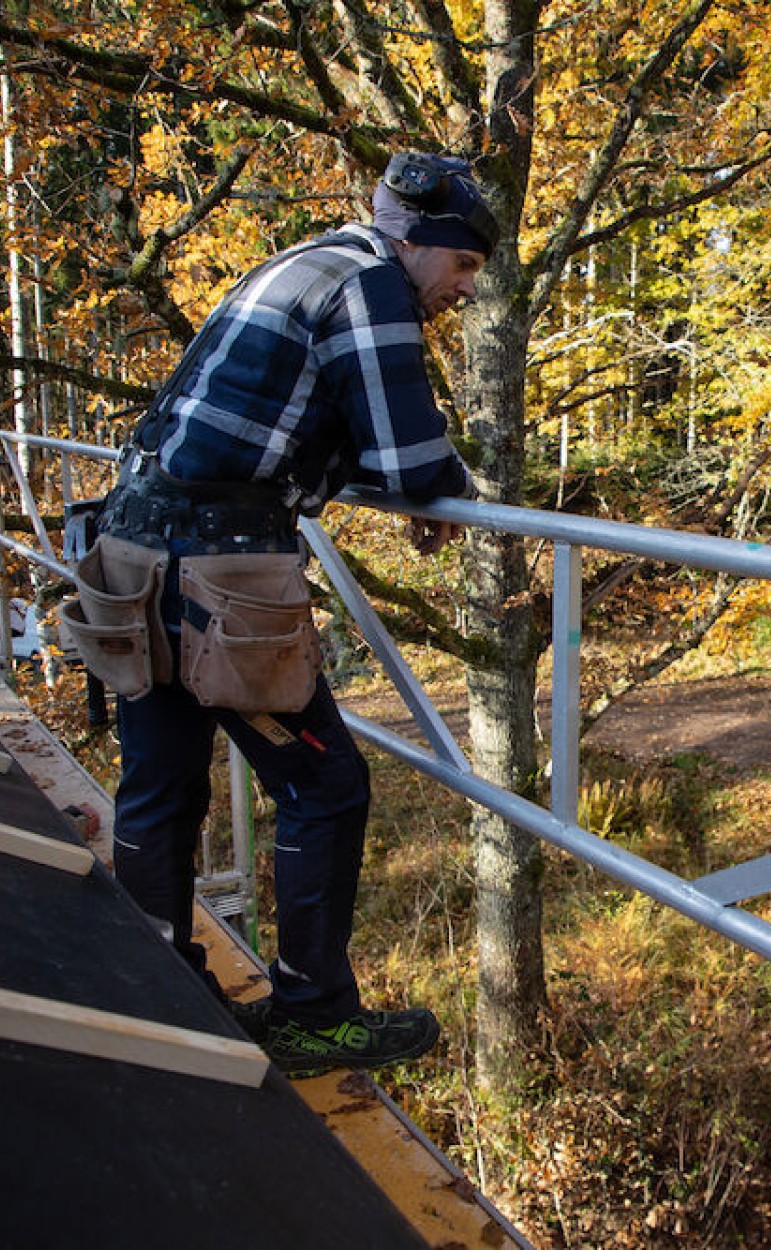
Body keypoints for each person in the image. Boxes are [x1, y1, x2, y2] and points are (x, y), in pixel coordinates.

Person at [87, 152, 498, 1078]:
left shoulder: (301, 262)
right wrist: (448, 491)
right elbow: (408, 454)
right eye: (464, 265)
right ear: (418, 240)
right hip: (219, 577)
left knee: (161, 780)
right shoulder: (374, 286)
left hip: (133, 547)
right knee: (324, 785)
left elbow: (287, 419)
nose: (463, 290)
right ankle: (312, 1012)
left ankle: (157, 986)